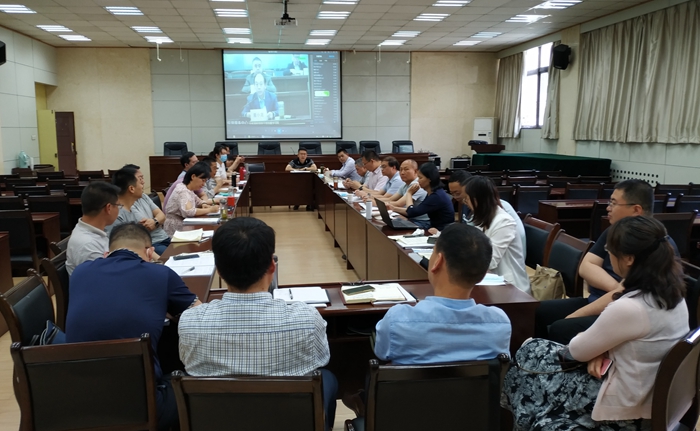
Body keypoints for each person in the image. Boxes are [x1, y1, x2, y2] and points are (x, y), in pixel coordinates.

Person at [503, 216, 689, 431]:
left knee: (529, 355)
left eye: (610, 250)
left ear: (629, 258)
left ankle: (522, 419)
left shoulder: (631, 307)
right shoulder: (673, 295)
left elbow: (578, 351)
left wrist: (597, 349)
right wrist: (601, 349)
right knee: (535, 351)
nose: (609, 255)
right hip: (649, 395)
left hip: (624, 408)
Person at [178, 217, 338, 431]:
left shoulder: (190, 322)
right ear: (272, 266)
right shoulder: (307, 319)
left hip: (220, 421)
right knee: (327, 378)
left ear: (219, 270)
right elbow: (321, 359)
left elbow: (187, 363)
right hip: (285, 421)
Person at [343, 223, 511, 421]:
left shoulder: (398, 319)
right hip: (468, 420)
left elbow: (381, 352)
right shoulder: (500, 323)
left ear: (437, 261)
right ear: (483, 274)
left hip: (407, 419)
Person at [66, 223, 201, 431]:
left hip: (78, 402)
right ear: (149, 252)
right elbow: (199, 316)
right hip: (143, 407)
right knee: (193, 380)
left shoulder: (80, 272)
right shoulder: (161, 274)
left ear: (106, 253)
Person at [535, 179, 679, 344]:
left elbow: (624, 296)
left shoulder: (652, 243)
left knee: (561, 328)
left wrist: (575, 315)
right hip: (604, 299)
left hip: (624, 313)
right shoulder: (616, 231)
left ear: (636, 209)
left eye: (614, 203)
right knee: (537, 311)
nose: (608, 208)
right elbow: (587, 266)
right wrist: (617, 288)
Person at [461, 176, 530, 293]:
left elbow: (490, 261)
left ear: (477, 199)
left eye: (467, 199)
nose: (465, 203)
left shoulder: (504, 222)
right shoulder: (482, 217)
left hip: (510, 288)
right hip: (489, 280)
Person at [447, 170, 526, 254]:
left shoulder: (504, 221)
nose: (465, 201)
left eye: (466, 198)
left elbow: (490, 258)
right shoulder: (482, 212)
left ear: (476, 197)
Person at [107, 167, 171, 255]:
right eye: (140, 180)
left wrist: (159, 260)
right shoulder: (116, 214)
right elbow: (127, 249)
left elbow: (162, 216)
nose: (143, 184)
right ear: (131, 189)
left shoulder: (130, 208)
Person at [66, 181, 120, 275]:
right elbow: (104, 279)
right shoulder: (88, 246)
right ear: (109, 208)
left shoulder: (93, 229)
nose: (119, 209)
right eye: (118, 205)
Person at [387, 162, 454, 231]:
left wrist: (409, 194)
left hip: (442, 231)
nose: (418, 181)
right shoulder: (432, 193)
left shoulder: (436, 196)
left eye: (420, 178)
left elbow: (411, 212)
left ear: (429, 179)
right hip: (435, 228)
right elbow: (414, 210)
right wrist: (393, 208)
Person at [163, 162, 219, 236]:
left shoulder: (189, 189)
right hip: (176, 229)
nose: (203, 184)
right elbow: (188, 212)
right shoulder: (182, 190)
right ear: (193, 176)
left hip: (186, 224)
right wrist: (210, 210)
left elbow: (198, 201)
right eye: (203, 180)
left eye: (205, 181)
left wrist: (204, 204)